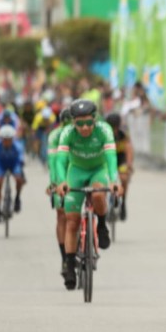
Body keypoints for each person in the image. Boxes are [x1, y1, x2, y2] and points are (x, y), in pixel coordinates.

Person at [56, 99, 122, 291]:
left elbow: (111, 157)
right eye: (79, 124)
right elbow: (61, 160)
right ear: (73, 122)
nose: (84, 128)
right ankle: (69, 265)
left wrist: (114, 181)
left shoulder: (104, 130)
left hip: (97, 170)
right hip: (75, 171)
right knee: (72, 221)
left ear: (95, 119)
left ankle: (101, 226)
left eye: (88, 123)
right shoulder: (67, 133)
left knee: (99, 195)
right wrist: (61, 181)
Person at [47, 107, 72, 267]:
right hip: (60, 173)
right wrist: (54, 184)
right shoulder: (55, 135)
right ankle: (64, 257)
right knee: (62, 215)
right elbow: (53, 162)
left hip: (78, 169)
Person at [0, 125, 26, 223]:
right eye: (4, 139)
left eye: (9, 139)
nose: (6, 141)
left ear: (12, 139)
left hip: (14, 164)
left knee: (19, 179)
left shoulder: (17, 146)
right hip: (1, 165)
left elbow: (21, 159)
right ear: (1, 139)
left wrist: (21, 173)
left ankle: (17, 198)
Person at [105, 112, 134, 221]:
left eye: (115, 127)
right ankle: (106, 206)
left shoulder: (123, 135)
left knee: (124, 178)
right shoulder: (104, 134)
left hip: (120, 158)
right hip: (107, 158)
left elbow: (129, 150)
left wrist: (129, 164)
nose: (113, 130)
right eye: (111, 127)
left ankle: (123, 203)